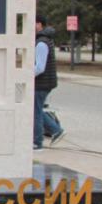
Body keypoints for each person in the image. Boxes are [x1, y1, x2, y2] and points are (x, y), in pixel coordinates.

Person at [34, 14, 64, 150]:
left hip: (42, 83)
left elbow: (40, 67)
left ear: (39, 24)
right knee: (36, 109)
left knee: (36, 112)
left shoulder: (41, 42)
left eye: (33, 23)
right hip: (46, 82)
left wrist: (25, 75)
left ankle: (37, 142)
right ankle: (56, 130)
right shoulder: (45, 39)